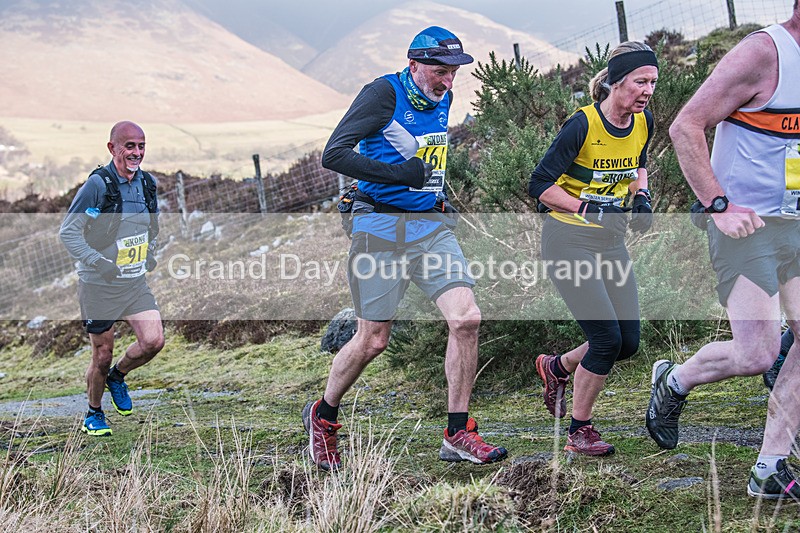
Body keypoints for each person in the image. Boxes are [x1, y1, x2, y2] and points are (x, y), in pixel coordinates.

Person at [304, 26, 507, 471]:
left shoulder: (444, 97)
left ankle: (457, 432)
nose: (448, 82)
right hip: (377, 227)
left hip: (429, 229)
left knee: (467, 318)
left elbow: (424, 160)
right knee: (373, 339)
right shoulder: (382, 94)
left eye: (453, 73)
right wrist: (402, 178)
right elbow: (333, 155)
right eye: (439, 72)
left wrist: (435, 197)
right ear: (413, 64)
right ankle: (323, 417)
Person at [650, 3, 800, 500]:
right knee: (758, 353)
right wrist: (718, 205)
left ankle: (771, 467)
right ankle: (674, 380)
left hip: (794, 222)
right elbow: (685, 126)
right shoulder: (762, 54)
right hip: (745, 225)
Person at [528, 42, 657, 456]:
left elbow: (639, 162)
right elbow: (539, 186)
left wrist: (643, 196)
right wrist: (588, 207)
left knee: (628, 342)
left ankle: (557, 367)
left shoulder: (643, 122)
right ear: (616, 82)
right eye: (640, 81)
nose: (648, 91)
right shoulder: (581, 125)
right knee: (605, 340)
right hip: (568, 239)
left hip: (610, 242)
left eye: (653, 82)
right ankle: (579, 431)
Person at [60, 121, 164, 437]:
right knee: (102, 355)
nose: (136, 152)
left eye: (141, 146)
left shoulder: (148, 184)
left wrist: (150, 251)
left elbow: (152, 225)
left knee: (153, 340)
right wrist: (98, 262)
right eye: (129, 146)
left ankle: (118, 377)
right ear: (112, 148)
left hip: (133, 282)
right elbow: (69, 232)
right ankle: (94, 413)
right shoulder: (98, 185)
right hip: (98, 284)